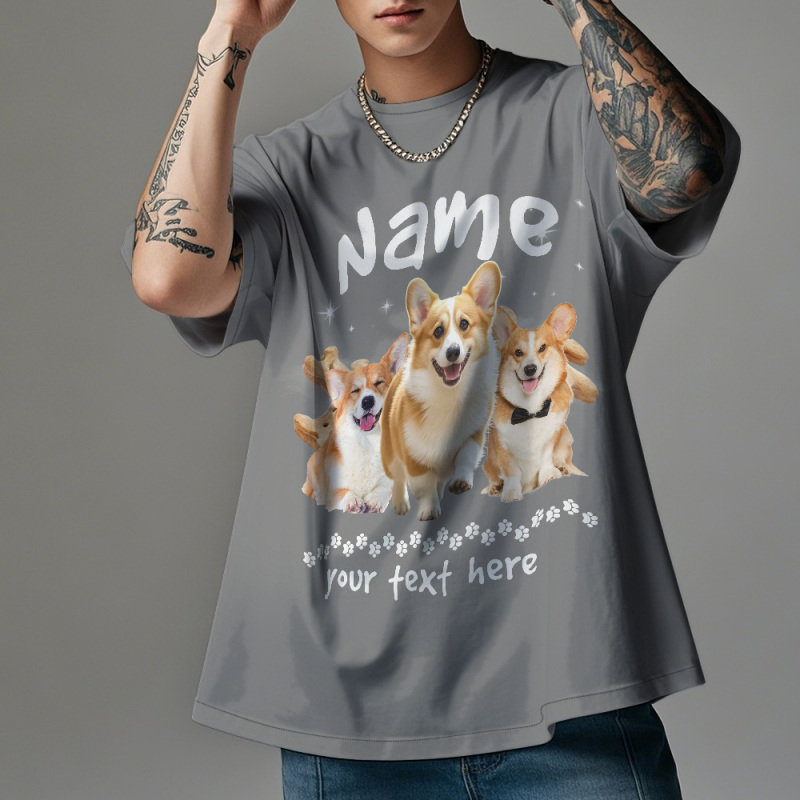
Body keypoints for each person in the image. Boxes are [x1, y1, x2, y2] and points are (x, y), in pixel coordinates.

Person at [121, 1, 740, 797]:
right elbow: (167, 277)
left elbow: (685, 168)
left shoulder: (576, 120)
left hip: (568, 690)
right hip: (348, 712)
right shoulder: (286, 169)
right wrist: (232, 30)